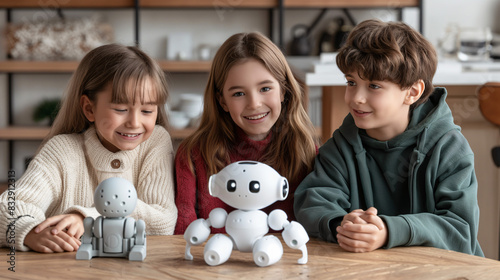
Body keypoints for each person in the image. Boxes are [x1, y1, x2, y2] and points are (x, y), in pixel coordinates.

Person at [294, 19, 484, 256]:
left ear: (413, 92)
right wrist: (341, 224)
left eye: (373, 86)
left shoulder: (449, 149)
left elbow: (460, 231)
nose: (356, 98)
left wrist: (389, 230)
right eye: (351, 82)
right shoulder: (340, 148)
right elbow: (312, 203)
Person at [0, 44, 178, 253]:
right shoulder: (62, 150)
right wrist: (29, 231)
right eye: (121, 109)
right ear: (89, 108)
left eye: (147, 110)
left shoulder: (155, 142)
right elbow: (8, 207)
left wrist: (87, 218)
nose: (135, 122)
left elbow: (163, 222)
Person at [174, 32, 319, 234]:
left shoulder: (306, 152)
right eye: (239, 94)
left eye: (265, 88)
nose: (254, 104)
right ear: (222, 100)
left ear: (283, 90)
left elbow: (314, 233)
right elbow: (183, 236)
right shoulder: (193, 155)